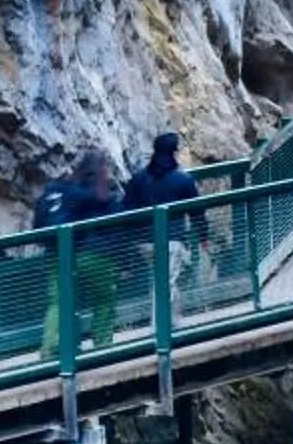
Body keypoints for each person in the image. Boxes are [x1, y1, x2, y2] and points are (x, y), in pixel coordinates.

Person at [31, 150, 122, 353]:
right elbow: (116, 221)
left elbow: (37, 227)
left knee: (59, 302)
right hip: (95, 254)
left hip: (57, 255)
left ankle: (54, 348)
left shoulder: (55, 192)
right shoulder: (95, 194)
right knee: (103, 299)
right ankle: (103, 345)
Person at [119, 131, 204, 293]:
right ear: (174, 153)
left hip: (143, 243)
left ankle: (167, 310)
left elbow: (125, 210)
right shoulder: (183, 180)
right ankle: (163, 311)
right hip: (172, 241)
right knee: (166, 286)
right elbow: (197, 212)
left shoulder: (138, 179)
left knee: (161, 282)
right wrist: (203, 236)